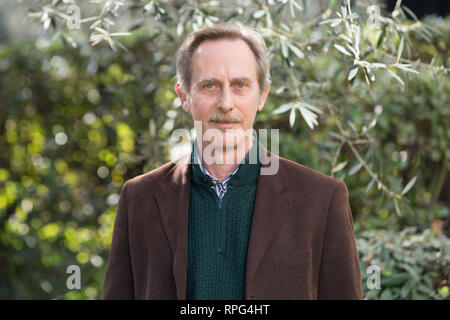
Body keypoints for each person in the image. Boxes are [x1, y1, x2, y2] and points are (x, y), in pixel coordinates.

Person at [102, 23, 362, 300]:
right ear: (184, 96)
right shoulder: (139, 197)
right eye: (210, 85)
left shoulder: (322, 198)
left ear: (262, 95)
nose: (225, 103)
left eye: (240, 85)